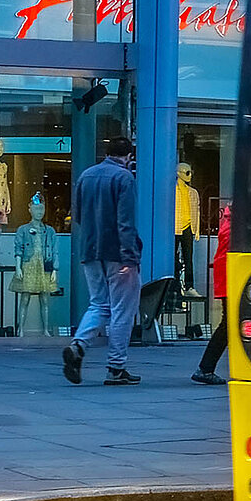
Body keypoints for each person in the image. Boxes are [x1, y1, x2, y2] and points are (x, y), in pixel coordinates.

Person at [63, 136, 142, 386]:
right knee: (122, 310)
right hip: (117, 254)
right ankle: (116, 367)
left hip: (90, 251)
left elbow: (77, 216)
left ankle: (78, 344)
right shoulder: (124, 178)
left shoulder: (86, 176)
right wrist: (131, 256)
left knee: (99, 304)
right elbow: (125, 222)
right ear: (128, 156)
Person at [191, 203, 230, 385]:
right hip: (231, 276)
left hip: (227, 275)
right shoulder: (236, 223)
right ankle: (205, 368)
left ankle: (206, 368)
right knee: (228, 324)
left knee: (230, 324)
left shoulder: (230, 219)